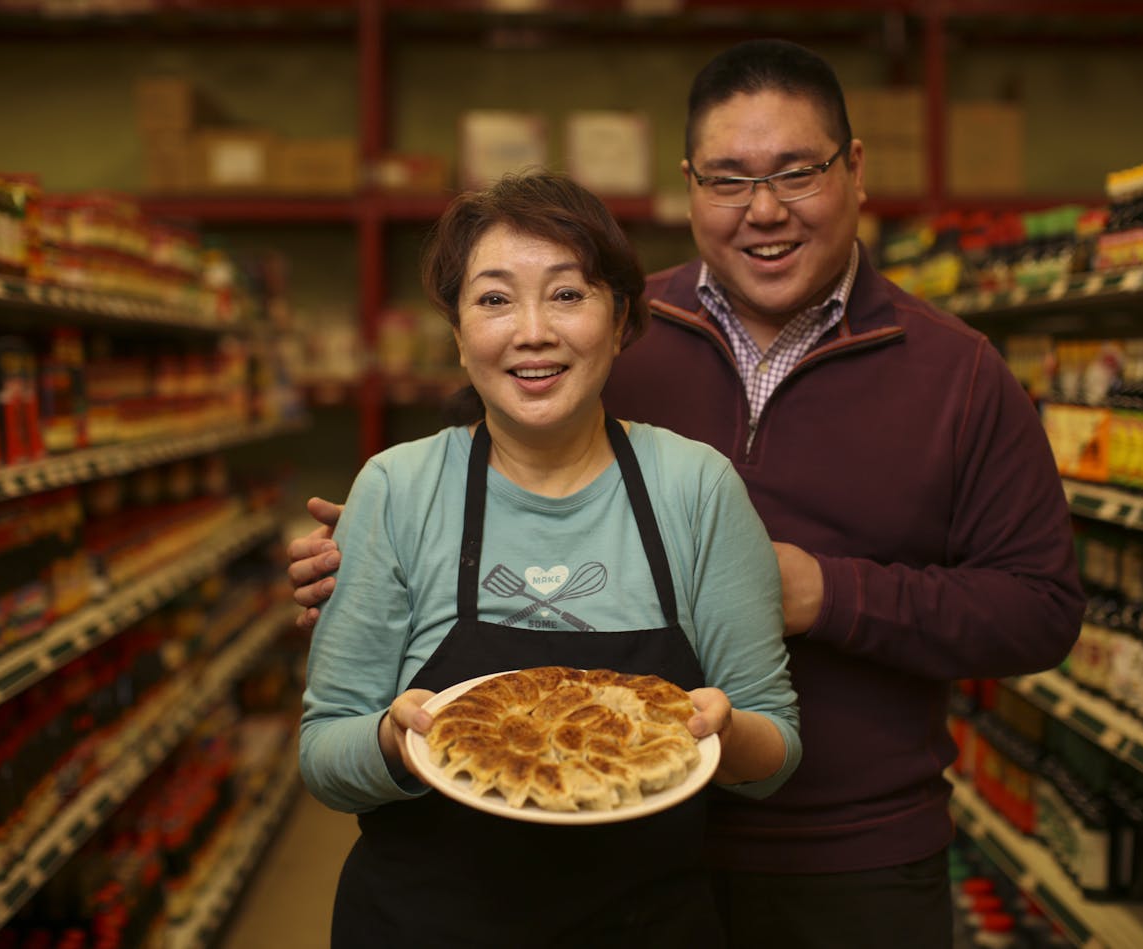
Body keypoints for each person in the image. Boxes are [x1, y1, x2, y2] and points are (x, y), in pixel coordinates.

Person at [291, 39, 1083, 949]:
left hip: (845, 852)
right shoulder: (615, 321)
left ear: (856, 170)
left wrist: (828, 592)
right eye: (729, 179)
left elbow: (1043, 607)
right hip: (597, 851)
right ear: (689, 185)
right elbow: (481, 457)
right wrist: (364, 557)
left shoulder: (959, 374)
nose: (765, 210)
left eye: (797, 172)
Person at [298, 170, 801, 949]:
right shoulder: (397, 488)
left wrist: (720, 733)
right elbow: (325, 750)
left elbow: (775, 751)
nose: (533, 330)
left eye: (568, 294)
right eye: (495, 299)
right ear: (460, 334)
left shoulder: (695, 486)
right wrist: (397, 742)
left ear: (620, 318)